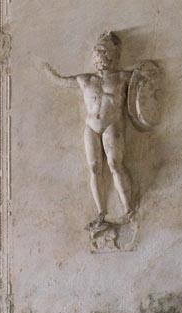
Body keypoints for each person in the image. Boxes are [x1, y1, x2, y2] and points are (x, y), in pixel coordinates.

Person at [44, 32, 136, 225]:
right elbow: (61, 80)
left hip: (112, 124)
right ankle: (101, 212)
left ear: (113, 55)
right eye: (98, 53)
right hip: (91, 126)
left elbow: (144, 78)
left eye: (104, 53)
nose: (100, 58)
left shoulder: (122, 77)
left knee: (115, 164)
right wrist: (46, 68)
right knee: (94, 167)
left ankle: (129, 208)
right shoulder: (85, 80)